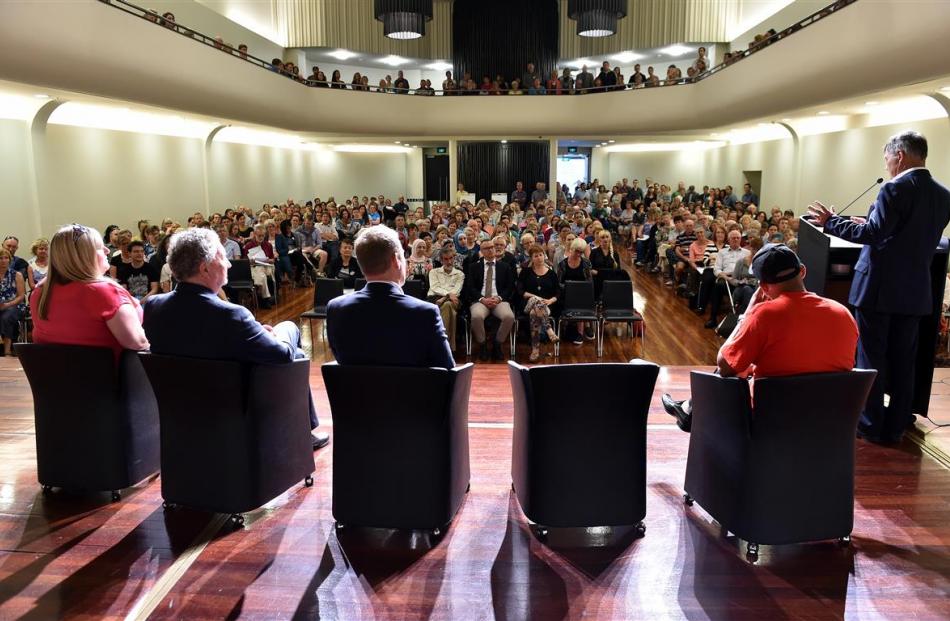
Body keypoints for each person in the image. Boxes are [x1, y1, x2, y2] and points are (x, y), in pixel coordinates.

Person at [808, 130, 950, 443]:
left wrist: (832, 222)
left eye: (887, 157)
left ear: (899, 155)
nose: (886, 165)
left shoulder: (894, 189)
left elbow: (873, 236)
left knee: (870, 358)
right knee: (903, 361)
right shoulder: (943, 194)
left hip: (879, 290)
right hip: (914, 292)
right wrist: (871, 222)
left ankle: (871, 425)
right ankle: (897, 425)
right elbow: (908, 235)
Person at [143, 228, 328, 450]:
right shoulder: (230, 315)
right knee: (290, 337)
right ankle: (303, 432)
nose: (229, 264)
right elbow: (282, 355)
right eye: (223, 257)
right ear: (205, 267)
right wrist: (272, 335)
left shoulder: (153, 307)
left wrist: (254, 332)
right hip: (236, 408)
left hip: (183, 410)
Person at [662, 244, 859, 431]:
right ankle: (689, 408)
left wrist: (747, 314)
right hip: (830, 421)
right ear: (802, 271)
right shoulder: (843, 313)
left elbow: (725, 366)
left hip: (773, 421)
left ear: (763, 286)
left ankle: (690, 411)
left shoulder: (764, 314)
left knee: (731, 372)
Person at [327, 226, 454, 369]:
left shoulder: (336, 309)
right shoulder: (426, 313)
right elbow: (448, 372)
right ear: (396, 260)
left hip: (356, 391)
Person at [30, 224, 149, 359]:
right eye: (100, 247)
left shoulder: (39, 293)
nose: (107, 250)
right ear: (84, 255)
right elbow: (139, 344)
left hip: (57, 378)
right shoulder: (104, 292)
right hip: (109, 378)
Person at [466, 240, 516, 361]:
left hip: (499, 300)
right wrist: (482, 299)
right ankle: (482, 345)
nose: (491, 249)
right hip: (480, 300)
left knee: (509, 316)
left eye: (492, 247)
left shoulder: (504, 266)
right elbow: (470, 287)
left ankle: (497, 344)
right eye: (487, 248)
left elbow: (510, 287)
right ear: (482, 251)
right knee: (476, 316)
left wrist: (499, 298)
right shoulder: (474, 267)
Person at [518, 245, 559, 362]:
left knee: (534, 314)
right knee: (535, 302)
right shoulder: (525, 272)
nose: (539, 258)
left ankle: (535, 350)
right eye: (536, 256)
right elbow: (520, 291)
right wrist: (536, 297)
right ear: (531, 258)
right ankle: (549, 329)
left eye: (541, 255)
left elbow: (558, 292)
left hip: (547, 306)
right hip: (527, 304)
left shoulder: (551, 273)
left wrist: (550, 300)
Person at [427, 246, 465, 354]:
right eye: (445, 259)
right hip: (434, 299)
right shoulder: (434, 272)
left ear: (454, 258)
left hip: (453, 300)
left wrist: (444, 297)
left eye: (451, 258)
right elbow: (434, 287)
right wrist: (448, 294)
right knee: (449, 308)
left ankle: (441, 347)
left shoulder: (460, 274)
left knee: (448, 305)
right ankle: (449, 348)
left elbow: (456, 291)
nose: (449, 261)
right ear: (441, 260)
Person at [0, 248, 26, 355]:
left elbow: (21, 296)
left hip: (15, 305)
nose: (3, 260)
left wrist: (7, 305)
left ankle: (7, 350)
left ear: (9, 260)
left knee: (6, 317)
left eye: (6, 258)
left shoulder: (17, 275)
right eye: (0, 258)